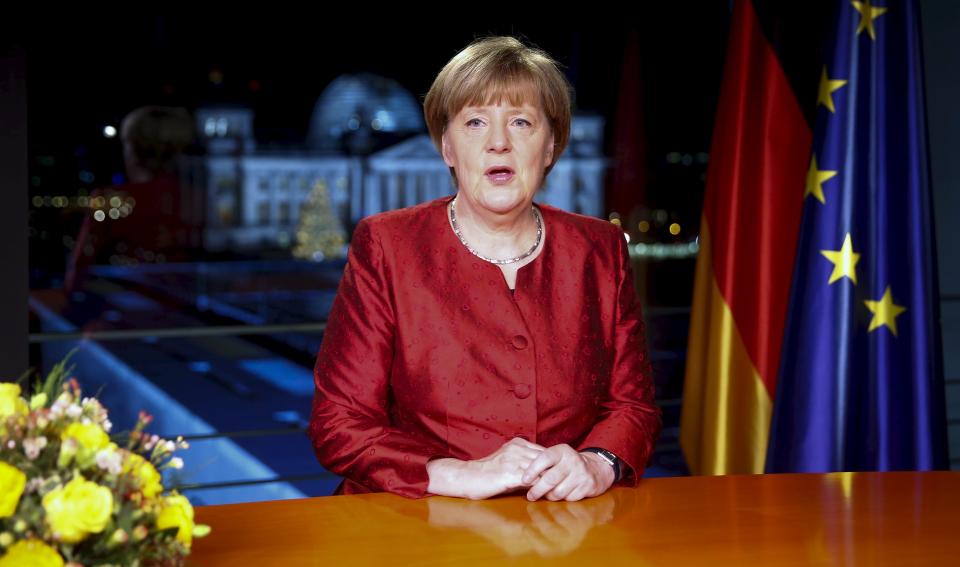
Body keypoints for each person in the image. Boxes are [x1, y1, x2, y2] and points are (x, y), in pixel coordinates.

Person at [308, 36, 660, 501]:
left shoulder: (601, 248)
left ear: (550, 146)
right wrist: (457, 475)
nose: (499, 143)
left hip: (561, 527)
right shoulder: (386, 245)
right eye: (475, 122)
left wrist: (600, 462)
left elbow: (633, 406)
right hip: (415, 524)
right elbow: (339, 425)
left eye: (521, 122)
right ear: (447, 147)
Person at [65, 106, 198, 292]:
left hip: (124, 310)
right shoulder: (197, 198)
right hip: (190, 310)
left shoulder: (110, 200)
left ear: (132, 149)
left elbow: (79, 271)